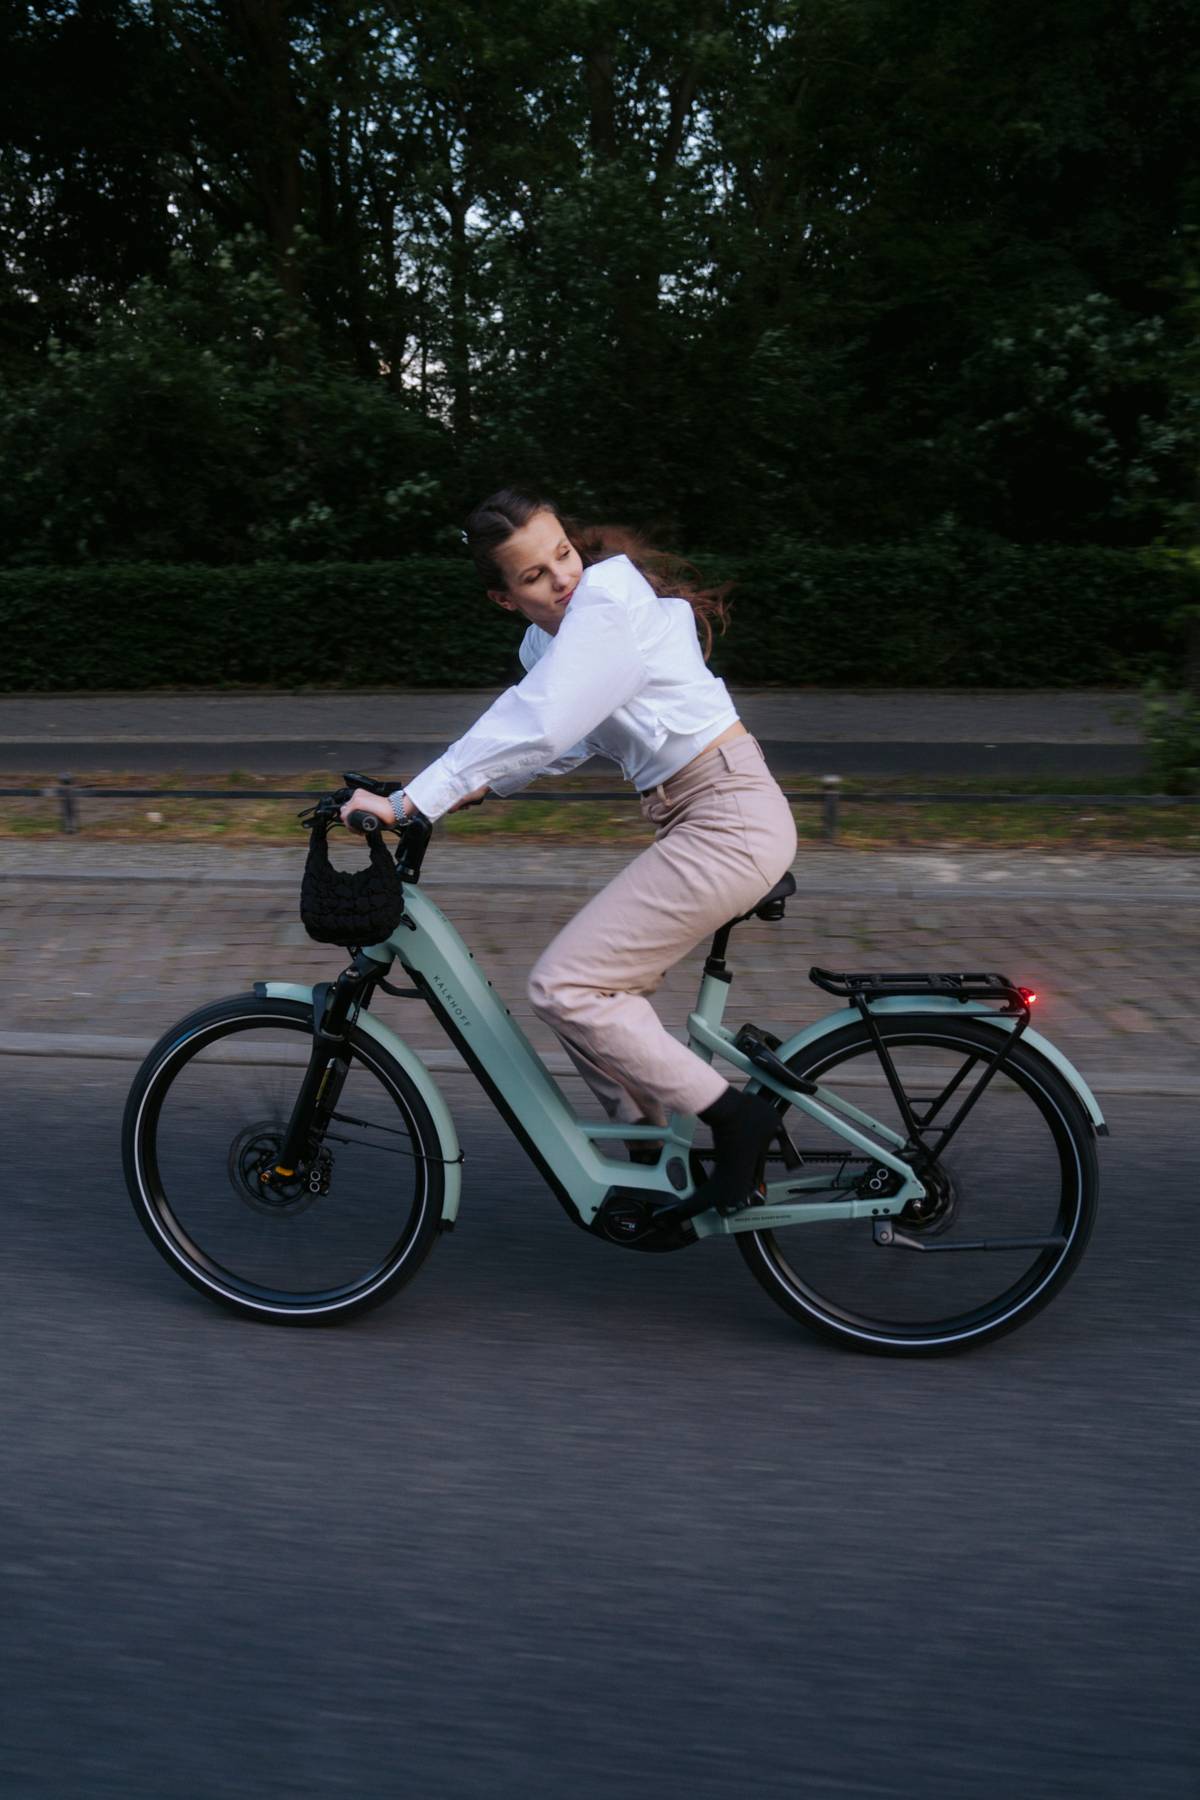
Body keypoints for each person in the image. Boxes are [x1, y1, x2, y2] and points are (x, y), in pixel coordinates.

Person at [341, 488, 798, 1216]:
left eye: (563, 553)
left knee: (566, 986)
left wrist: (411, 801)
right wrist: (463, 790)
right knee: (585, 998)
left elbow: (544, 719)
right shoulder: (549, 644)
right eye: (534, 575)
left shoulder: (606, 602)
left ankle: (737, 1123)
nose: (562, 577)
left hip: (727, 817)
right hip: (702, 818)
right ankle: (653, 1155)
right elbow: (560, 739)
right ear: (503, 598)